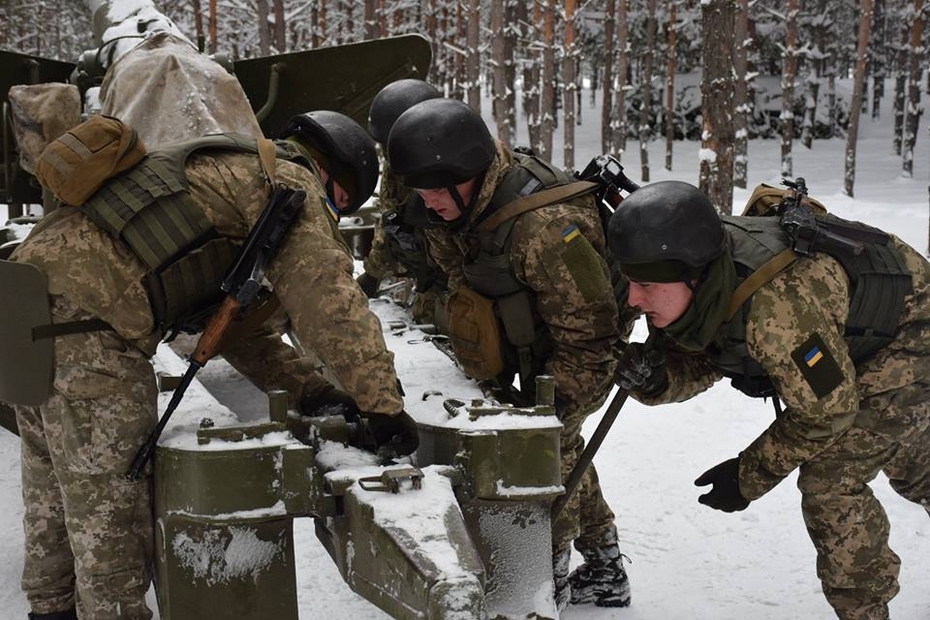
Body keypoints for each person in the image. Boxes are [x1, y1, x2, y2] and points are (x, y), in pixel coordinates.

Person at [6, 108, 418, 620]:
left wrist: (311, 391)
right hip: (89, 327)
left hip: (19, 302)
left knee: (50, 481)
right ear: (334, 177)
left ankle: (50, 609)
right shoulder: (290, 184)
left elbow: (234, 328)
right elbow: (330, 305)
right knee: (110, 511)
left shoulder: (223, 169)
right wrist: (382, 406)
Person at [609, 180, 930, 620]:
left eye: (644, 284)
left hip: (912, 336)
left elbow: (826, 414)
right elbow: (716, 354)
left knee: (831, 480)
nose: (633, 299)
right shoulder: (703, 276)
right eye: (630, 282)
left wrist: (747, 475)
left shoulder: (779, 312)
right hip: (855, 339)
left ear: (691, 274)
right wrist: (658, 379)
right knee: (914, 463)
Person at [387, 97, 635, 609]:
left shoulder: (543, 228)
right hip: (533, 332)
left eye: (435, 191)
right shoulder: (451, 210)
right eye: (420, 192)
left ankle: (547, 573)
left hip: (585, 340)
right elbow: (461, 280)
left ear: (466, 176)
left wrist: (549, 414)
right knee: (558, 449)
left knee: (546, 451)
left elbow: (592, 336)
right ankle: (607, 567)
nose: (427, 202)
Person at [356, 78, 448, 328]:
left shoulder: (452, 165)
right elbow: (390, 221)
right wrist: (373, 274)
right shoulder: (397, 167)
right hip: (427, 273)